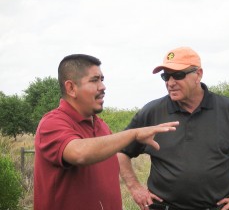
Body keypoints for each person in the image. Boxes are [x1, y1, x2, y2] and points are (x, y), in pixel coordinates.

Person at [118, 47, 229, 210]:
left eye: (178, 75)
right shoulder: (152, 112)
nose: (170, 83)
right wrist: (135, 188)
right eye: (166, 76)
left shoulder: (228, 110)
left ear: (198, 74)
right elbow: (121, 150)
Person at [33, 54, 179, 210]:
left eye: (102, 79)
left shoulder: (102, 126)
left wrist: (135, 187)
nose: (102, 87)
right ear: (71, 88)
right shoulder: (52, 123)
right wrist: (134, 134)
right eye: (94, 80)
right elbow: (79, 153)